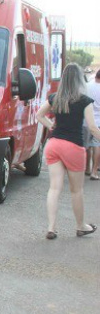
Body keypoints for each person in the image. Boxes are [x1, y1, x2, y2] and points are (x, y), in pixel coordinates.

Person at [36, 63, 100, 240]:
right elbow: (93, 129)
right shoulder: (85, 101)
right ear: (80, 80)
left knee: (54, 188)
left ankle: (51, 227)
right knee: (76, 190)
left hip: (54, 144)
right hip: (73, 147)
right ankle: (81, 226)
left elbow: (39, 115)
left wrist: (51, 125)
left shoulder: (55, 98)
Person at [85, 69, 100, 179]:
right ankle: (94, 172)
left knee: (86, 146)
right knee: (96, 146)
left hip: (85, 121)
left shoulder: (87, 86)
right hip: (98, 122)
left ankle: (87, 168)